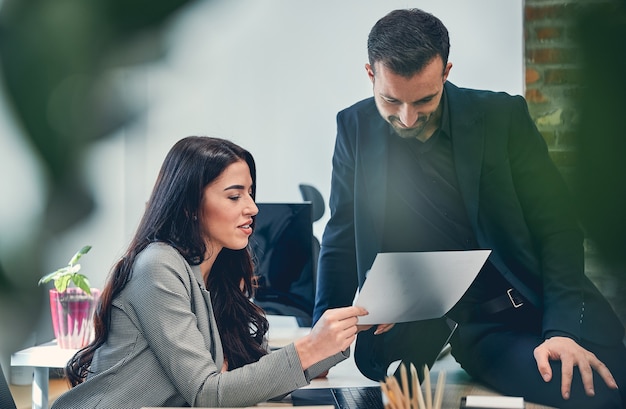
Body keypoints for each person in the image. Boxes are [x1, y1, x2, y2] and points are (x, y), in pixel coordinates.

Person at [313, 8, 626, 409]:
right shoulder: (354, 129)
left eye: (424, 99)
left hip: (556, 307)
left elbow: (559, 229)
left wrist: (562, 330)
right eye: (391, 100)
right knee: (591, 396)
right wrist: (322, 335)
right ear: (371, 75)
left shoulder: (502, 117)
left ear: (446, 72)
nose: (407, 118)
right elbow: (341, 236)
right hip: (484, 330)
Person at [51, 136, 367, 408]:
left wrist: (337, 338)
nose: (253, 208)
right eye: (234, 195)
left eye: (249, 193)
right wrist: (309, 348)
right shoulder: (158, 267)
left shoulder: (210, 275)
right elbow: (208, 394)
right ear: (189, 205)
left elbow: (251, 380)